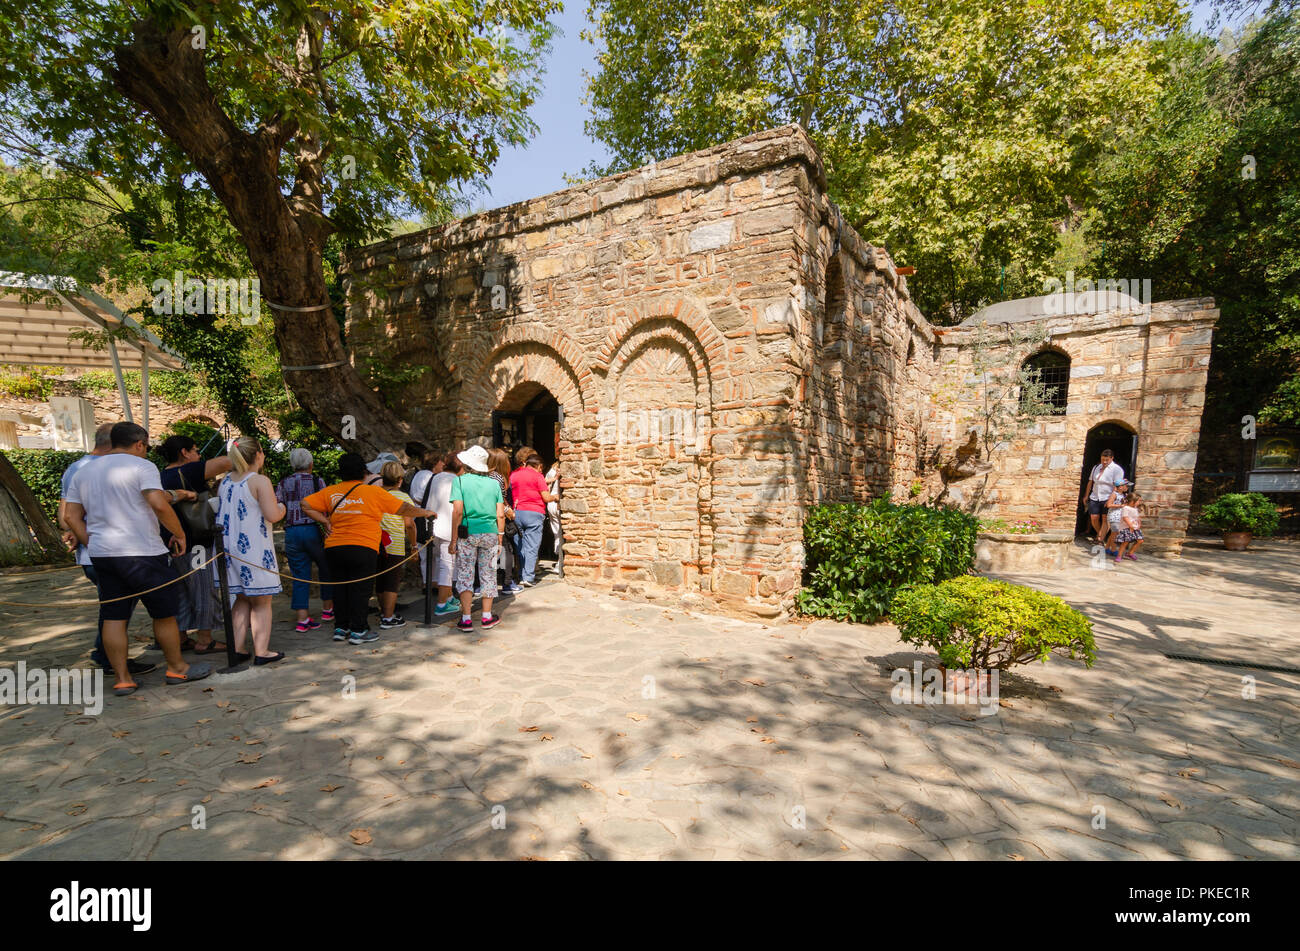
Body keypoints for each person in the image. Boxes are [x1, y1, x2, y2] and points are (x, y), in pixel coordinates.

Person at [63, 422, 211, 695]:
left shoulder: (84, 471)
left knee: (113, 616)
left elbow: (70, 516)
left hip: (104, 555)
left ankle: (122, 679)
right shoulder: (141, 467)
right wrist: (179, 534)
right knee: (164, 613)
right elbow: (158, 503)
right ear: (140, 444)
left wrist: (92, 543)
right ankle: (176, 667)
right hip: (143, 552)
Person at [301, 452, 434, 644]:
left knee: (340, 588)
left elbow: (305, 504)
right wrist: (426, 512)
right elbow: (403, 509)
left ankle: (341, 627)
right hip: (363, 547)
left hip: (334, 547)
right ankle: (359, 630)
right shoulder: (374, 492)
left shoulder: (331, 491)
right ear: (363, 472)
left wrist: (325, 521)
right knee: (360, 589)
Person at [58, 423, 156, 676]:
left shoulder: (77, 468)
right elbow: (68, 516)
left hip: (99, 552)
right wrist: (90, 541)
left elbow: (66, 516)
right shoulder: (91, 469)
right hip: (113, 551)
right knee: (116, 611)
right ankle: (108, 659)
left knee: (114, 608)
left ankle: (109, 658)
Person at [159, 434, 233, 654]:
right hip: (195, 540)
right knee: (203, 587)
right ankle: (205, 639)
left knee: (180, 592)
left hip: (170, 542)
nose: (199, 455)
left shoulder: (161, 476)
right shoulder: (187, 470)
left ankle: (181, 637)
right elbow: (227, 461)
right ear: (184, 453)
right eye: (195, 450)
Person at [215, 436, 286, 665]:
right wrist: (283, 508)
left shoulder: (225, 481)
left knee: (242, 599)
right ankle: (262, 651)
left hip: (229, 548)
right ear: (258, 455)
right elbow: (272, 515)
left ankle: (237, 649)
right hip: (254, 549)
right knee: (262, 601)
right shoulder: (259, 481)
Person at [276, 448, 335, 632]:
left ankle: (302, 619)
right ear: (311, 464)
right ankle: (328, 610)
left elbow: (279, 505)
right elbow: (327, 505)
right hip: (313, 529)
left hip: (292, 531)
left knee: (300, 574)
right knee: (326, 567)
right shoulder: (318, 481)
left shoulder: (284, 482)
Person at [448, 445, 505, 631]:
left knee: (465, 573)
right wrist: (500, 538)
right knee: (489, 573)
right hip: (490, 531)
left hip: (467, 531)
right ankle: (487, 616)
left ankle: (466, 618)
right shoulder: (494, 484)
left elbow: (457, 511)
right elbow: (500, 514)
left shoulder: (460, 482)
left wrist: (453, 539)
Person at [412, 450, 460, 616]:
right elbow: (458, 510)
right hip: (448, 527)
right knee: (447, 565)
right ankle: (441, 604)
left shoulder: (436, 477)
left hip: (434, 525)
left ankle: (448, 597)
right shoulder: (457, 481)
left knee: (442, 562)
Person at [376, 460, 415, 630]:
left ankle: (383, 610)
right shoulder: (404, 498)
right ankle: (388, 617)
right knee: (392, 582)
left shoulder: (375, 494)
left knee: (380, 580)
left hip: (376, 542)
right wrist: (414, 545)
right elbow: (409, 524)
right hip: (395, 544)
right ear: (400, 479)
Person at [510, 452, 557, 587]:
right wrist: (556, 497)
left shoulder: (514, 475)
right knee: (532, 546)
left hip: (517, 512)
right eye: (541, 468)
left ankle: (521, 575)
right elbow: (547, 497)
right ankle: (528, 577)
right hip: (534, 513)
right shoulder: (538, 476)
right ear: (539, 466)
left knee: (520, 546)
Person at [486, 448, 521, 595]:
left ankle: (481, 584)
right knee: (505, 549)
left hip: (484, 518)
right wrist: (509, 512)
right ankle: (507, 583)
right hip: (497, 517)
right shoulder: (498, 478)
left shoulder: (481, 476)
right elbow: (499, 501)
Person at [1084, 449, 1125, 554]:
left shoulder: (1117, 469)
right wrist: (1086, 495)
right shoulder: (1096, 467)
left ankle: (1100, 540)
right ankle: (1100, 534)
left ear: (1112, 458)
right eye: (1103, 459)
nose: (1104, 462)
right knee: (1094, 517)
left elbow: (1118, 486)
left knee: (1105, 518)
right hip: (1095, 496)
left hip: (1107, 496)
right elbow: (1090, 482)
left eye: (1107, 460)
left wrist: (1112, 499)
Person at [545, 454, 563, 576]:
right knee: (560, 534)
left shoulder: (552, 469)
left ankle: (559, 561)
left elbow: (546, 485)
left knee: (557, 533)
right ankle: (560, 562)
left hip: (551, 503)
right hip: (557, 503)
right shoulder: (559, 469)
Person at [1114, 491, 1145, 563]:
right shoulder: (1126, 508)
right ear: (1132, 501)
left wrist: (1139, 525)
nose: (1139, 502)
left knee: (1140, 540)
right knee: (1125, 542)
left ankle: (1130, 553)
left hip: (1135, 527)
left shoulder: (1135, 509)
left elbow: (1137, 518)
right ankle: (1119, 556)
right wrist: (1131, 526)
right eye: (1138, 501)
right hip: (1126, 528)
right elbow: (1125, 518)